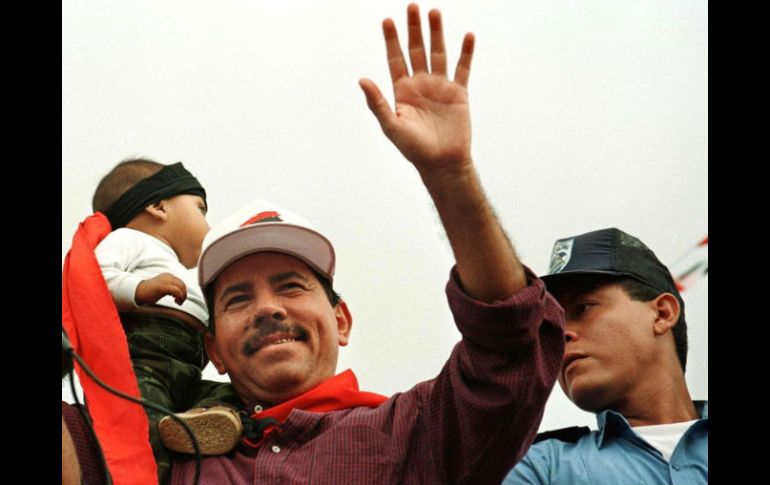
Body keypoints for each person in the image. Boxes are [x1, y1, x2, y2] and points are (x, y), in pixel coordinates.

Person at [63, 4, 565, 484]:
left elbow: (510, 346)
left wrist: (451, 177)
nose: (268, 308)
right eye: (237, 299)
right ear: (212, 350)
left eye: (291, 286)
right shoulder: (160, 454)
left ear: (341, 320)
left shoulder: (419, 434)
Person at [503, 227, 708, 485]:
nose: (561, 335)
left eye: (583, 308)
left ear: (662, 314)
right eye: (550, 327)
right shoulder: (537, 470)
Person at [90, 159, 244, 483]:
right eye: (200, 209)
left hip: (189, 369)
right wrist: (141, 289)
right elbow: (95, 277)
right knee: (143, 428)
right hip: (145, 361)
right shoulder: (128, 240)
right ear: (158, 207)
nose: (207, 224)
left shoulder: (184, 272)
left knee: (240, 398)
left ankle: (191, 423)